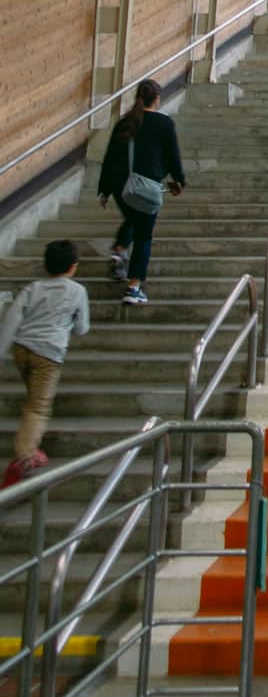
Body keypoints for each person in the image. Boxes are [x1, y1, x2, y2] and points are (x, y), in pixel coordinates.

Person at [0, 239, 89, 485]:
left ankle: (31, 445)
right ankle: (25, 456)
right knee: (37, 407)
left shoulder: (33, 288)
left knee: (33, 399)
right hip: (48, 354)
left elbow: (11, 319)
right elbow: (82, 328)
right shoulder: (77, 291)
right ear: (73, 267)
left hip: (22, 349)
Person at [98, 79, 185, 306]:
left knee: (133, 218)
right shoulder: (164, 124)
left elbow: (110, 156)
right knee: (143, 236)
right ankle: (134, 286)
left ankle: (119, 249)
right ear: (157, 99)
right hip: (146, 187)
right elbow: (173, 156)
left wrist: (104, 190)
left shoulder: (125, 123)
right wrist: (179, 180)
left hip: (121, 186)